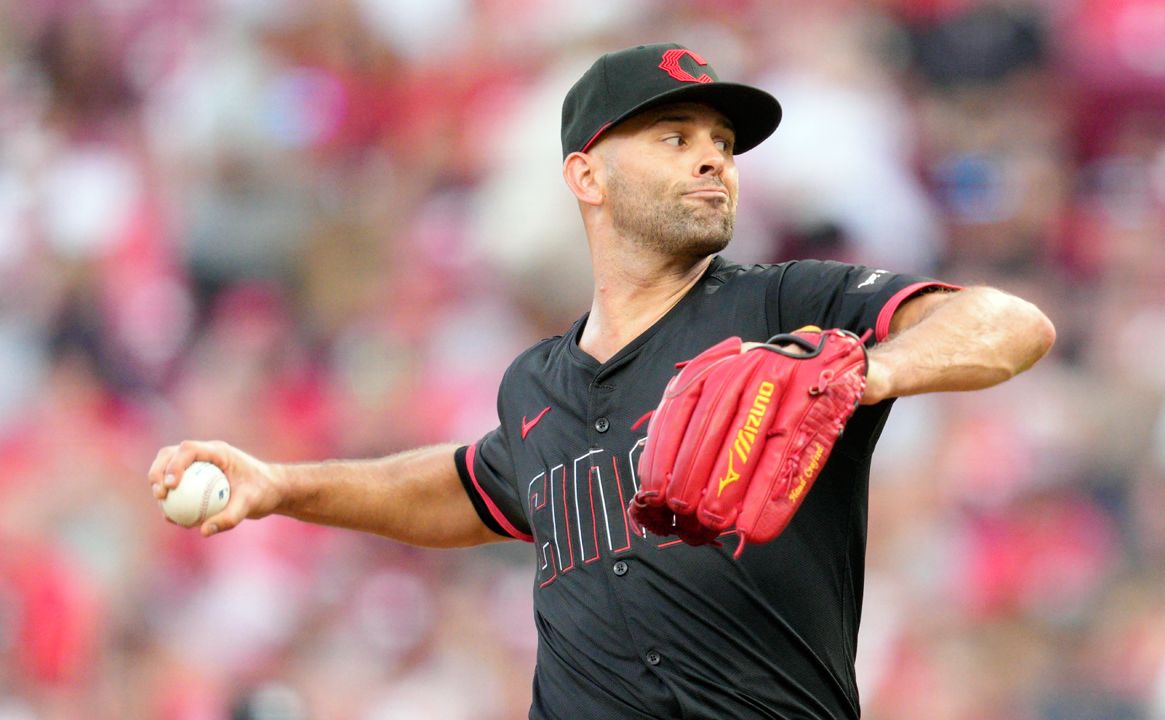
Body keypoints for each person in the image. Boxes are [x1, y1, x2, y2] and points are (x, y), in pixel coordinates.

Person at [149, 43, 1055, 719]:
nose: (713, 159)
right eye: (674, 137)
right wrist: (282, 486)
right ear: (586, 174)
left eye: (723, 143)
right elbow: (468, 488)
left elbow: (1012, 324)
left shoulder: (789, 308)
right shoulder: (539, 385)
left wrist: (866, 373)